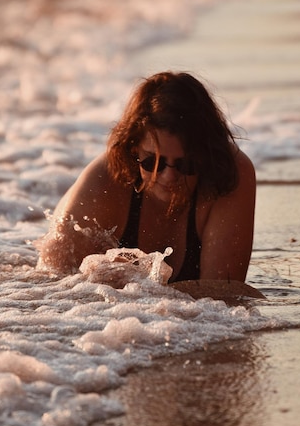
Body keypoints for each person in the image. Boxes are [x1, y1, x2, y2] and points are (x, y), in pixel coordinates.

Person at [38, 71, 256, 283]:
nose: (169, 176)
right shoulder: (101, 184)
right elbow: (52, 288)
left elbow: (226, 296)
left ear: (207, 156)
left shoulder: (229, 173)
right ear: (133, 150)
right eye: (153, 162)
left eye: (186, 164)